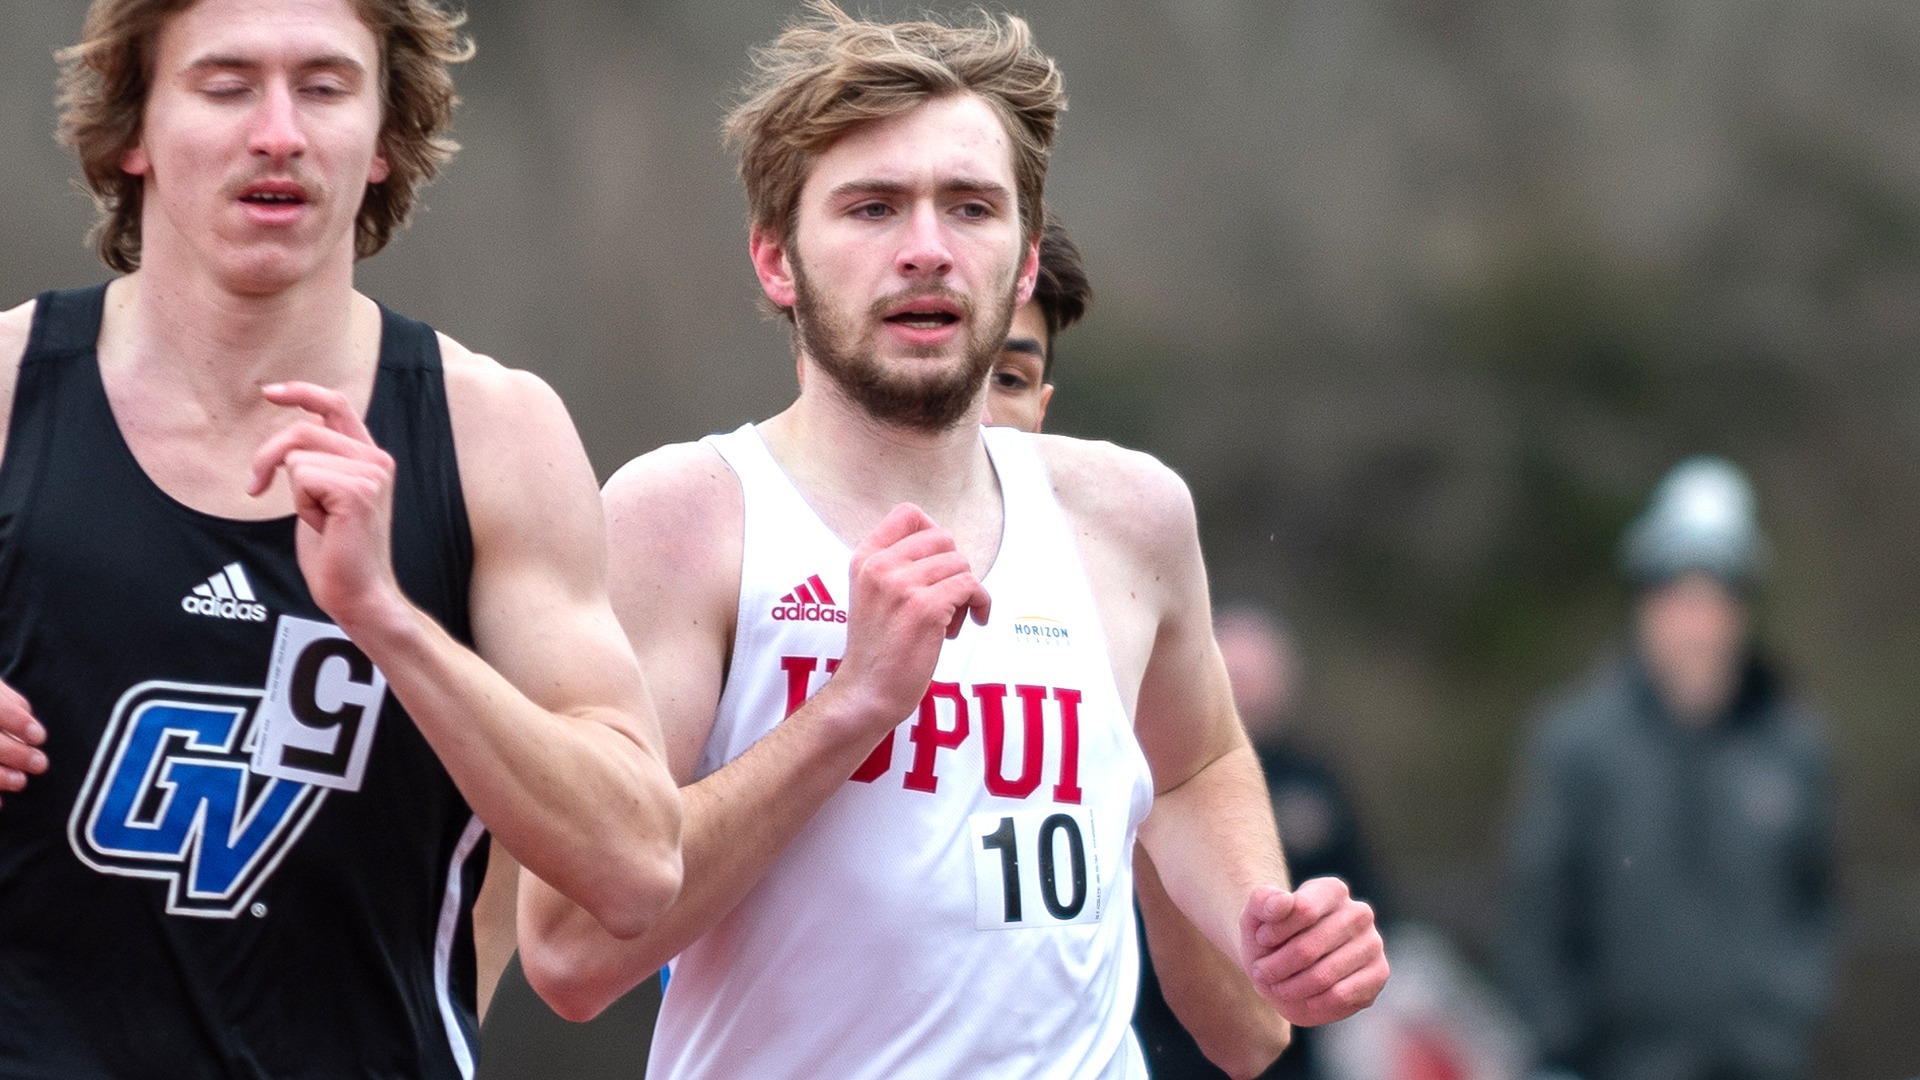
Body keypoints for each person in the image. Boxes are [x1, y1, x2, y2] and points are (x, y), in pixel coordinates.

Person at [516, 4, 1388, 1078]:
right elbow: (568, 952)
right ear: (777, 261)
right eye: (873, 208)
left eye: (970, 208)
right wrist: (850, 710)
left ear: (1024, 264)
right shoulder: (684, 517)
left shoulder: (1130, 514)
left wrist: (1271, 925)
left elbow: (1196, 760)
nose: (926, 250)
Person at [0, 0, 682, 1075]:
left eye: (324, 87)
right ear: (133, 131)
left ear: (385, 138)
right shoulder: (7, 393)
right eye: (226, 87)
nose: (279, 132)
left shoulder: (493, 435)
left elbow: (636, 865)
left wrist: (388, 621)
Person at [982, 218, 1297, 1079]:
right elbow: (580, 950)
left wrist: (1298, 951)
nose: (971, 408)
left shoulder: (1111, 577)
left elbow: (1254, 1031)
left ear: (1042, 409)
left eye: (1008, 378)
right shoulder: (748, 550)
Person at [1499, 456, 1835, 1080]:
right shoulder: (1579, 744)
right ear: (1645, 607)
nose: (1693, 623)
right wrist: (1559, 1039)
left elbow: (1813, 901)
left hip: (1759, 1063)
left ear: (1741, 612)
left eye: (1712, 600)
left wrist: (1783, 1012)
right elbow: (1538, 909)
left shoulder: (1791, 747)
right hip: (1616, 1065)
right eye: (1676, 598)